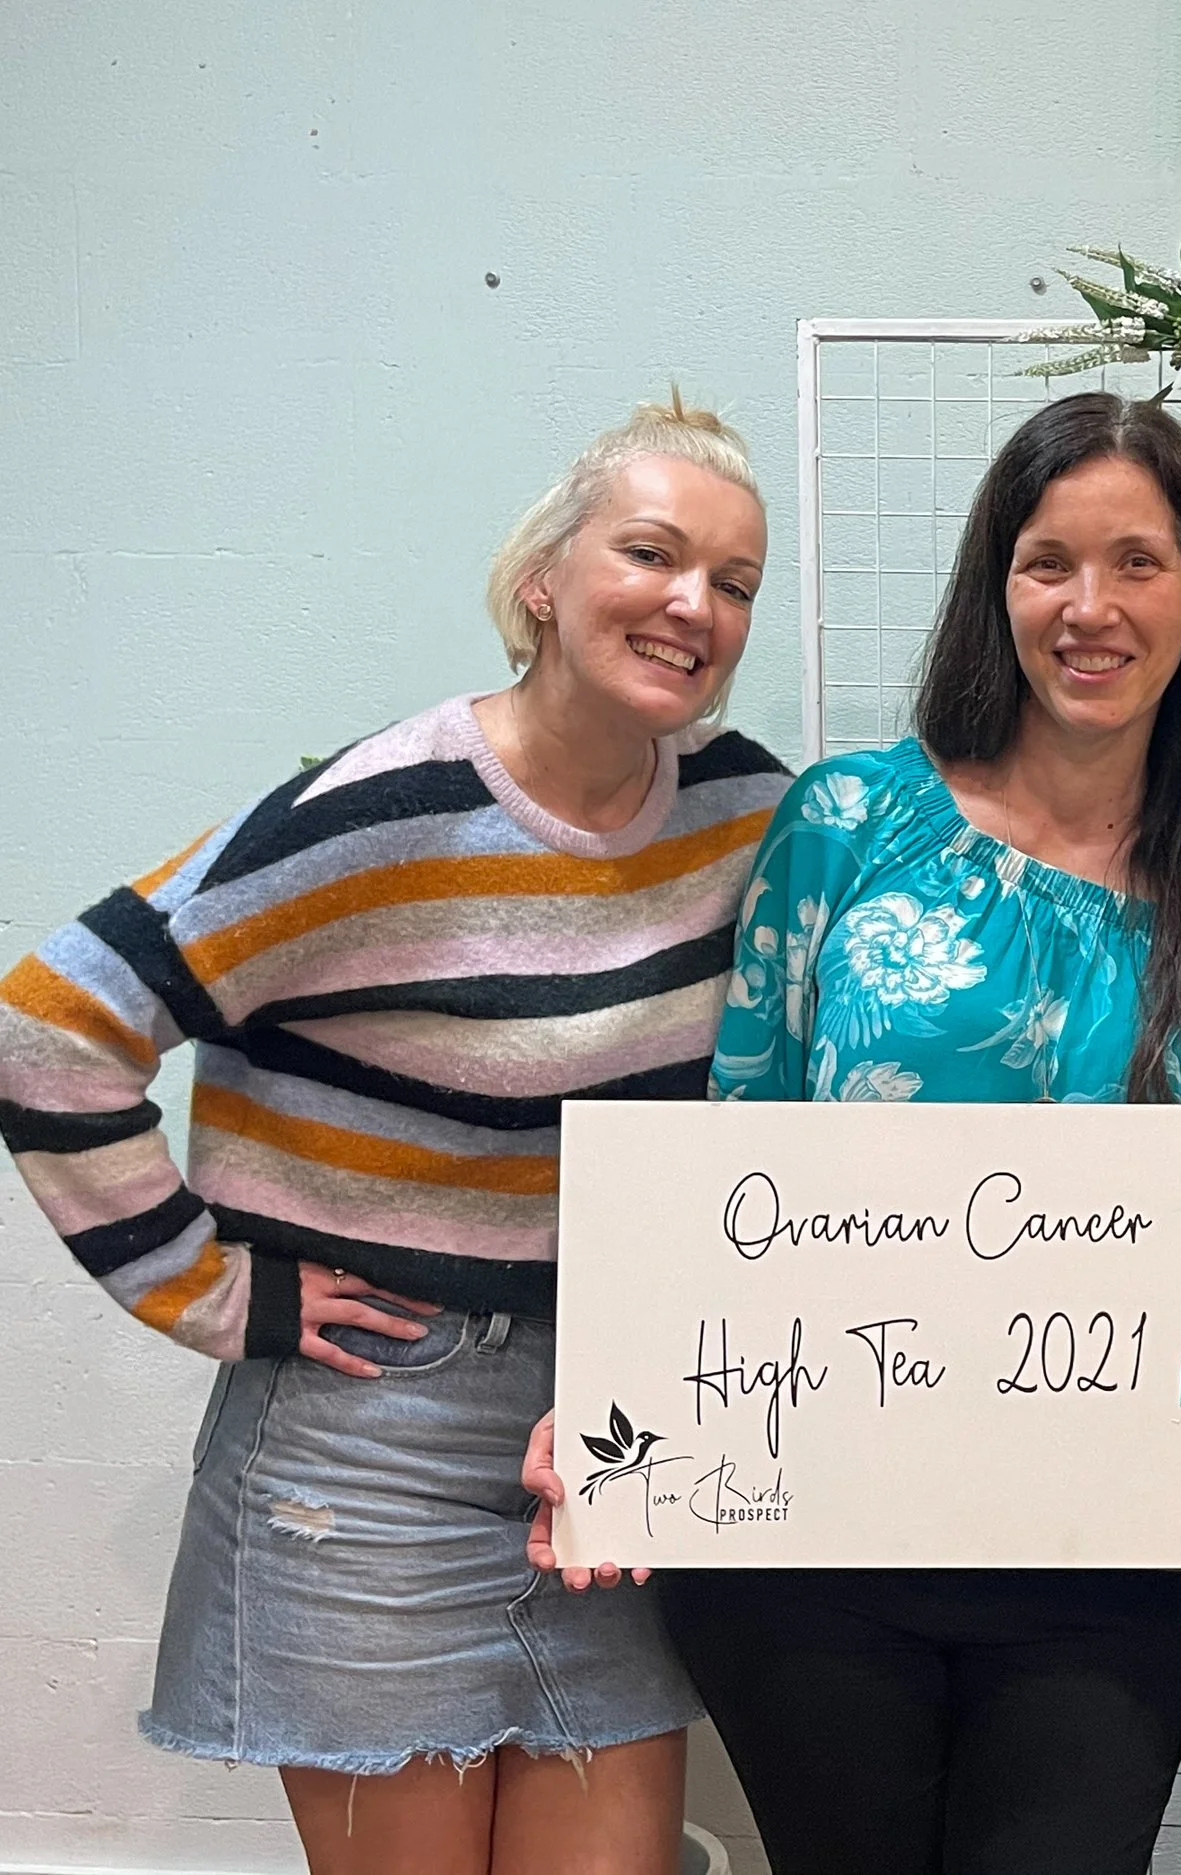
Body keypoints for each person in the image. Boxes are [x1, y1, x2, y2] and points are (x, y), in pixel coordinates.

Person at [0, 395, 789, 1874]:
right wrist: (215, 1290)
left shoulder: (752, 816)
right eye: (653, 552)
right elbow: (48, 1026)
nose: (695, 602)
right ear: (542, 580)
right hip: (371, 1429)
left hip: (611, 1425)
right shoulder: (379, 811)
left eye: (735, 581)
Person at [629, 391, 1181, 1875]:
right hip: (816, 1552)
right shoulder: (849, 820)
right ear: (994, 587)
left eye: (1139, 561)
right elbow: (734, 1144)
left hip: (1103, 1561)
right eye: (1048, 561)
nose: (1092, 605)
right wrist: (648, 1424)